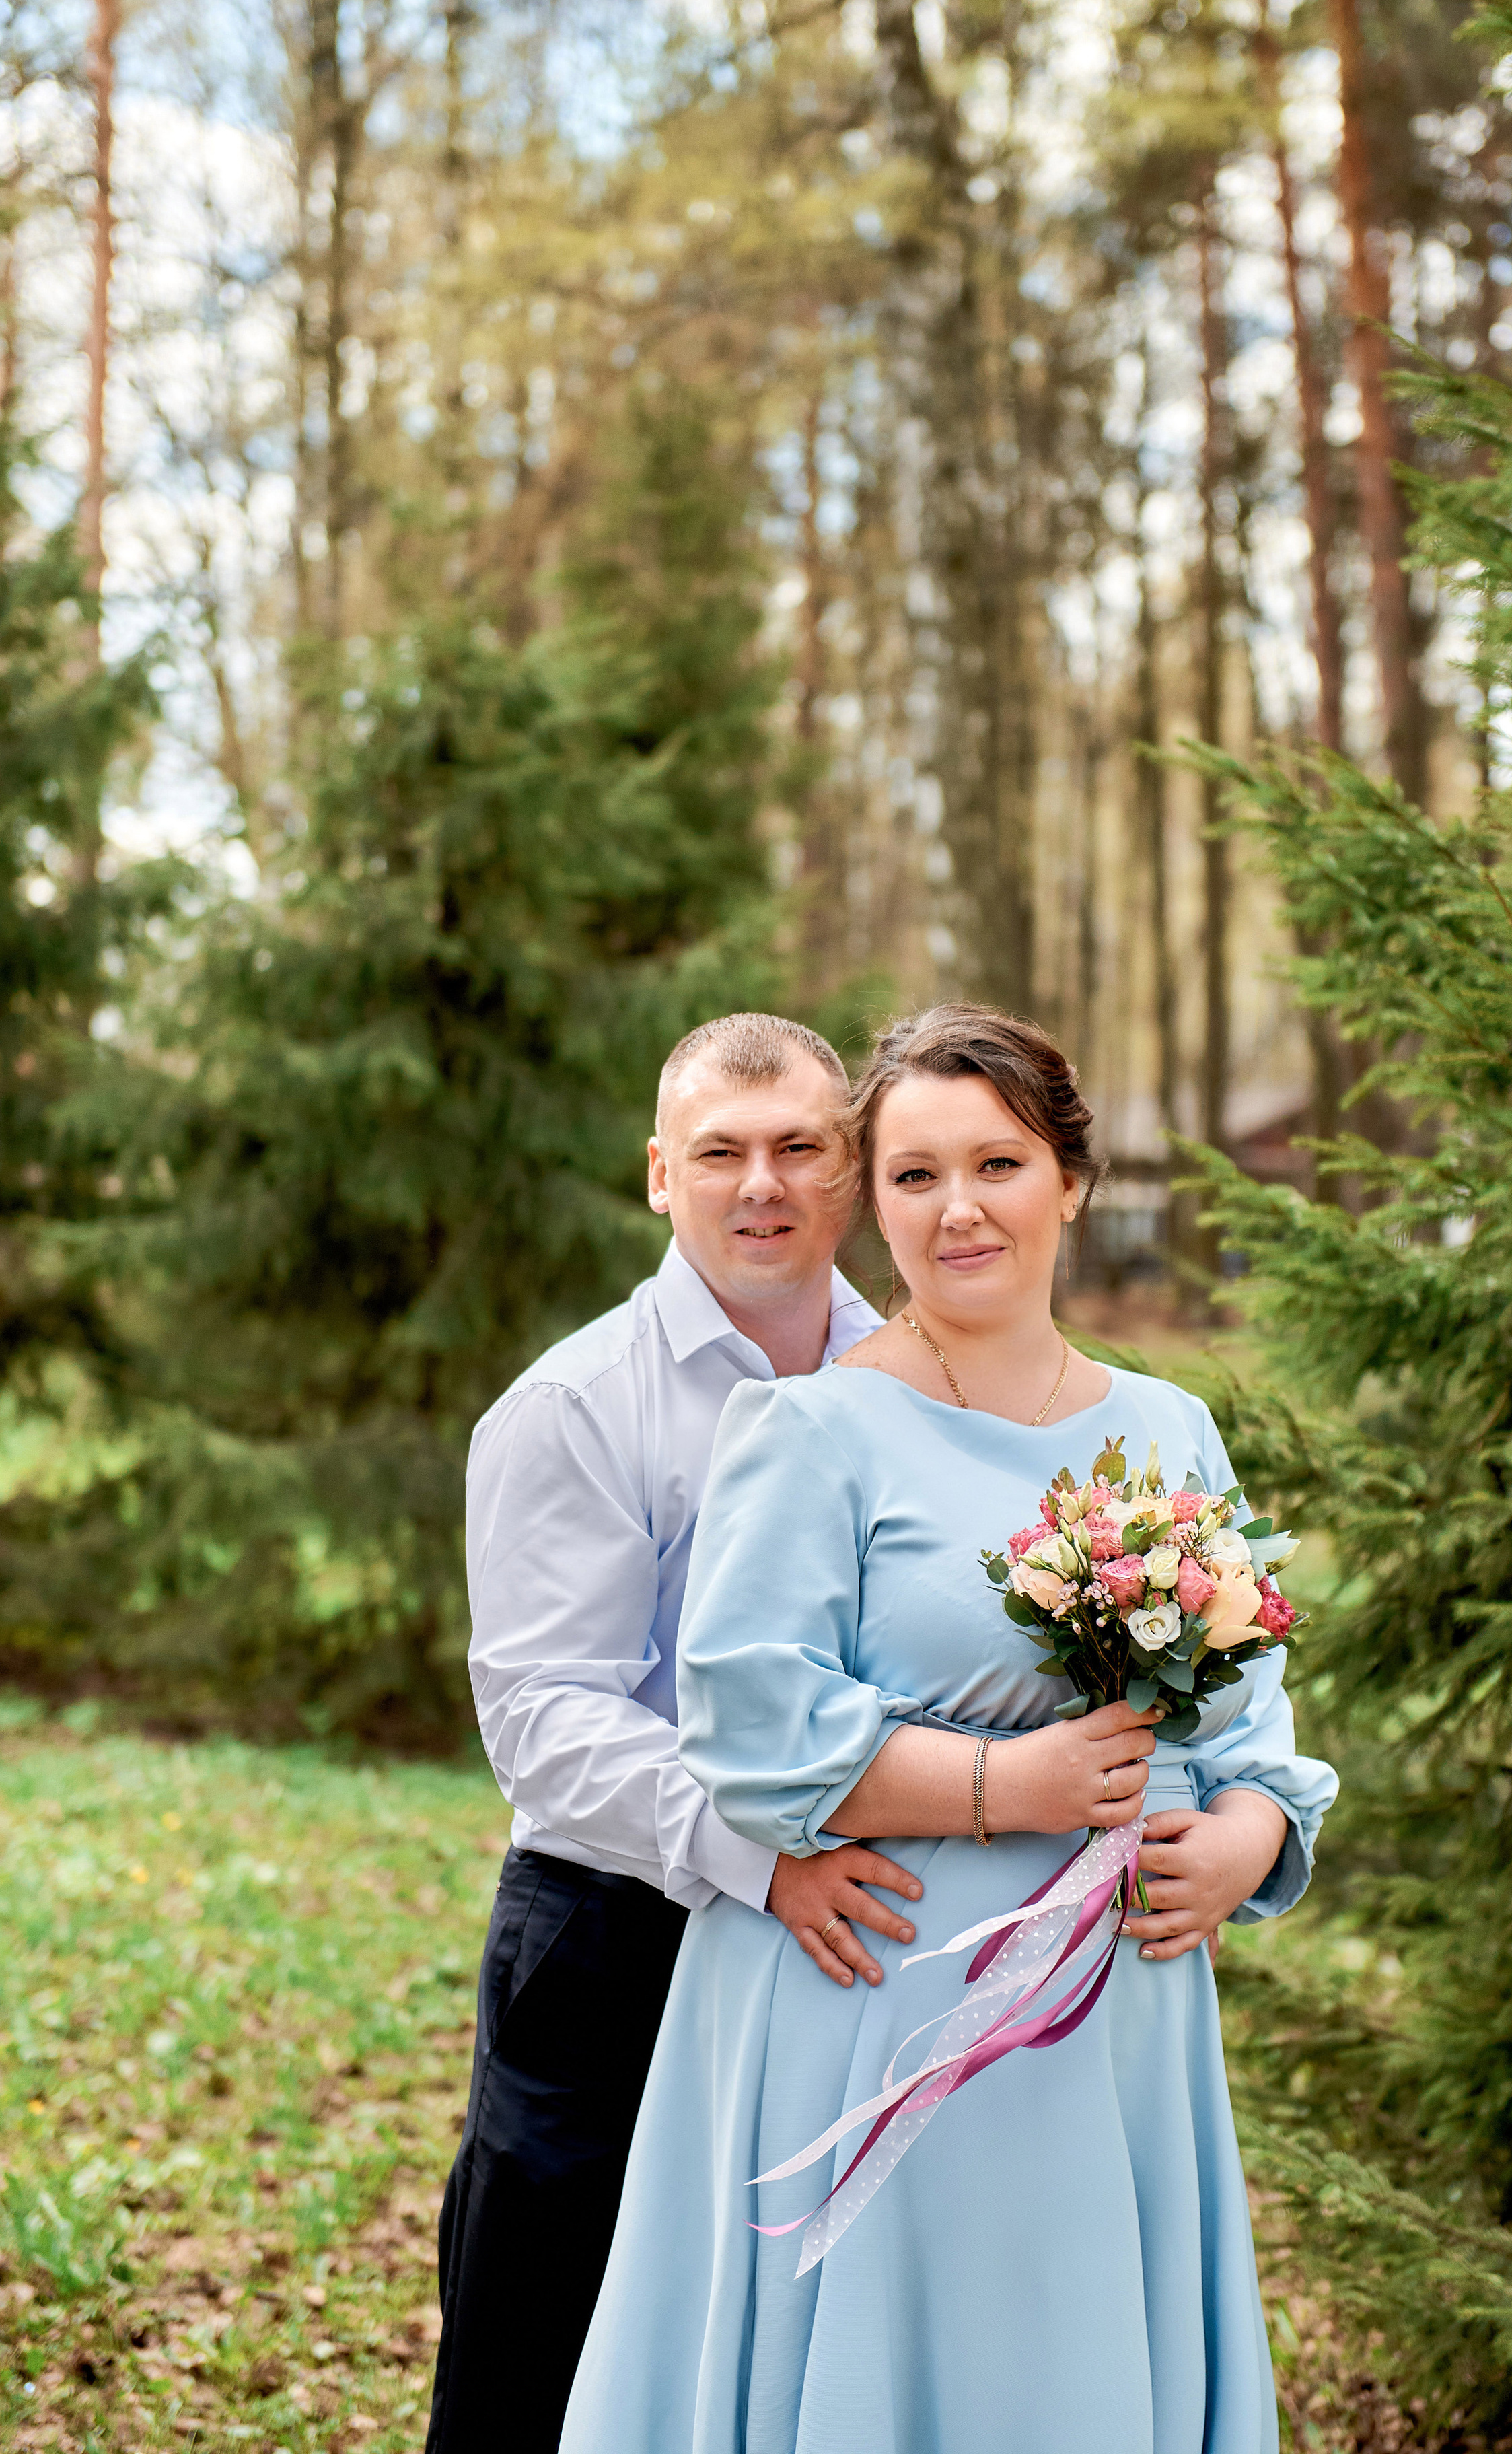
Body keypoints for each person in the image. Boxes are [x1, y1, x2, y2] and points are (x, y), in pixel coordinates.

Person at [561, 1003, 1338, 2454]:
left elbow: (1246, 1714)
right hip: (878, 1995)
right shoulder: (813, 1430)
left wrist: (1245, 1836)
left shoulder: (1168, 1430)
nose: (956, 1210)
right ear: (876, 1203)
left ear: (1069, 1181)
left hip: (1113, 2019)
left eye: (994, 1165)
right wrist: (1012, 1782)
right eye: (913, 1176)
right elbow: (748, 1717)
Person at [427, 1013, 927, 2454]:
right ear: (660, 1174)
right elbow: (544, 1720)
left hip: (857, 1942)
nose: (759, 1184)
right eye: (720, 1151)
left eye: (798, 1149)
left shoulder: (917, 1386)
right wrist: (765, 1864)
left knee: (770, 2361)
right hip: (613, 1936)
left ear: (850, 1168)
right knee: (543, 2349)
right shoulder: (576, 1406)